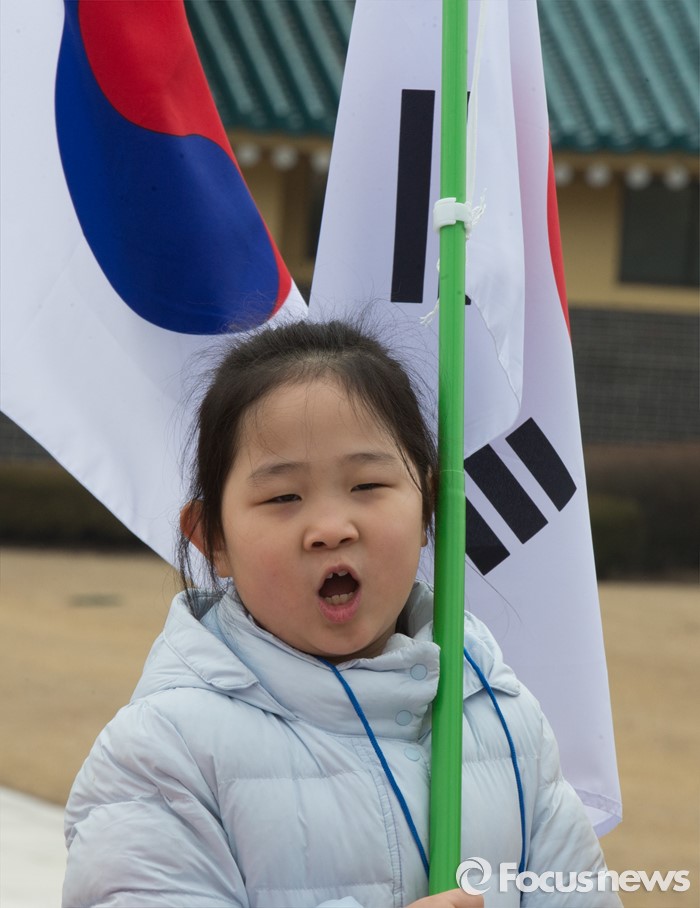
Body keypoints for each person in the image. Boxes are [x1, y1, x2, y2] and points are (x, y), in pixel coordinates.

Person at [63, 319, 621, 908]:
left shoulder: (502, 717)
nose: (331, 528)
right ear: (213, 540)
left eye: (368, 485)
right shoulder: (163, 752)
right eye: (283, 496)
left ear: (429, 507)